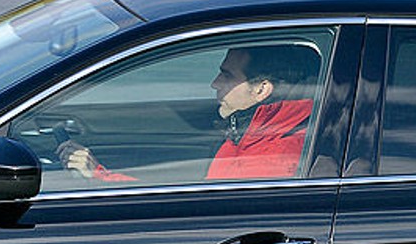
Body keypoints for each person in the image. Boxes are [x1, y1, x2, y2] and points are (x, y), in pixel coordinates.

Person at [62, 44, 320, 183]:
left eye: (227, 75)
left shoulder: (272, 158)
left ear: (262, 89)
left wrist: (99, 176)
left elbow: (186, 212)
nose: (215, 83)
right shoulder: (250, 134)